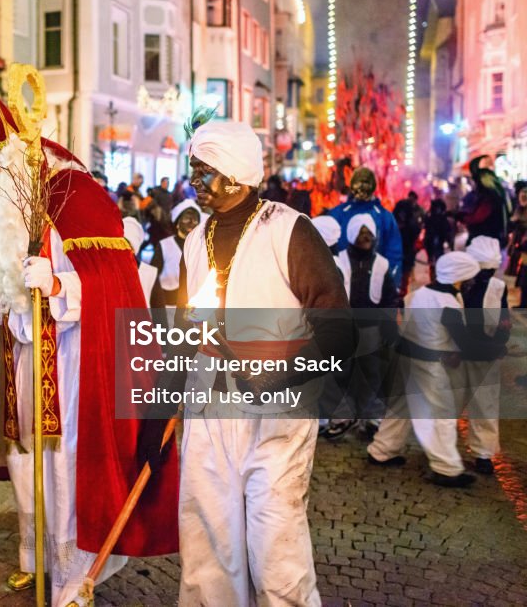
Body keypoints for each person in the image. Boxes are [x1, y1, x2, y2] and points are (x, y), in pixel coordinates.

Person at [0, 58, 180, 605]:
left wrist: (62, 285)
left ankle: (76, 572)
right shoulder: (8, 212)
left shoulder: (74, 196)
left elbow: (119, 289)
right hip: (27, 358)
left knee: (66, 464)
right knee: (27, 459)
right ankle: (37, 555)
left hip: (75, 361)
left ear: (20, 159)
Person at [138, 120, 356, 606]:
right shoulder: (197, 241)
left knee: (277, 553)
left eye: (203, 170)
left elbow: (339, 331)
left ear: (236, 176)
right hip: (208, 409)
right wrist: (159, 411)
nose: (193, 181)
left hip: (277, 418)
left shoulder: (290, 232)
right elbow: (186, 333)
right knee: (207, 551)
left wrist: (282, 376)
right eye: (192, 169)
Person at [367, 251, 504, 487]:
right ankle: (446, 468)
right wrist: (494, 350)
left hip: (406, 359)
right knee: (441, 414)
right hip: (428, 365)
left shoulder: (416, 294)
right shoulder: (448, 304)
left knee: (400, 410)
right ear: (459, 277)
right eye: (469, 277)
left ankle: (382, 450)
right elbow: (466, 345)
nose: (472, 282)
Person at [321, 214, 400, 440]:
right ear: (352, 234)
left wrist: (388, 325)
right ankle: (341, 419)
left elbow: (389, 298)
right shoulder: (340, 260)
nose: (366, 238)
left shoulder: (382, 264)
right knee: (339, 374)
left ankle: (371, 420)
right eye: (361, 233)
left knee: (371, 374)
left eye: (369, 234)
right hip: (344, 327)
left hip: (371, 330)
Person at [460, 236, 510, 474]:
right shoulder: (460, 280)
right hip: (462, 352)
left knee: (484, 405)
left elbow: (503, 321)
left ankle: (483, 453)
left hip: (481, 354)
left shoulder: (496, 287)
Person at [328, 166, 403, 289]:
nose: (362, 189)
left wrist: (391, 286)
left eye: (365, 184)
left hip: (373, 283)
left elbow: (394, 254)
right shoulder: (338, 214)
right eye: (359, 184)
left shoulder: (384, 217)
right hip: (344, 283)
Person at [150, 200, 206, 307]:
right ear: (177, 223)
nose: (191, 222)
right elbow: (152, 278)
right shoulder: (164, 245)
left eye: (195, 220)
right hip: (169, 308)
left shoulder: (202, 246)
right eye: (186, 218)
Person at [461, 155, 511, 247]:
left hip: (485, 240)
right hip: (494, 238)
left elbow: (478, 216)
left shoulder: (488, 196)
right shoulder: (498, 193)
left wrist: (463, 217)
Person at [392, 191, 425, 283]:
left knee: (408, 260)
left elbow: (419, 223)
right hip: (402, 237)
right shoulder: (402, 206)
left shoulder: (417, 210)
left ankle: (406, 277)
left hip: (410, 238)